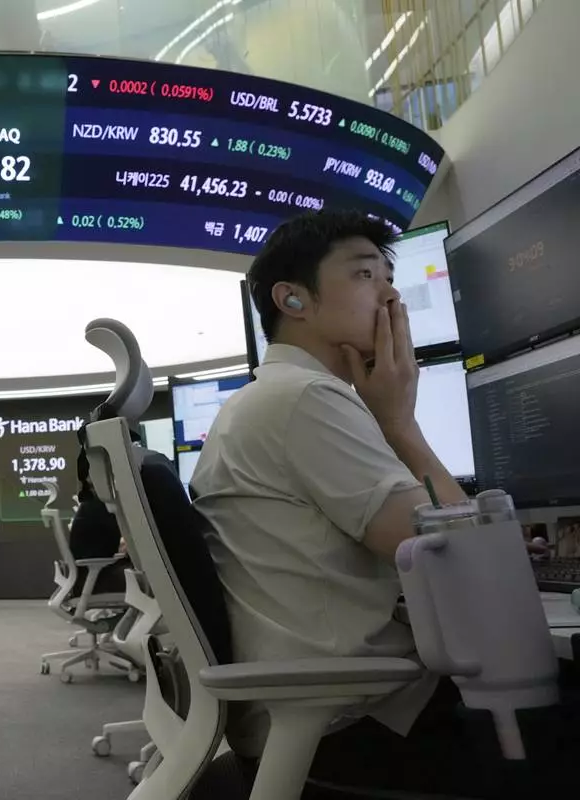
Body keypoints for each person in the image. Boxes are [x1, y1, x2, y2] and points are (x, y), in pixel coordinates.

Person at [190, 210, 569, 797]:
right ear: (292, 300)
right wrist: (400, 423)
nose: (391, 293)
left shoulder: (275, 398)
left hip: (313, 717)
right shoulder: (307, 399)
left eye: (388, 276)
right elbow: (464, 570)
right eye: (366, 275)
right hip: (358, 725)